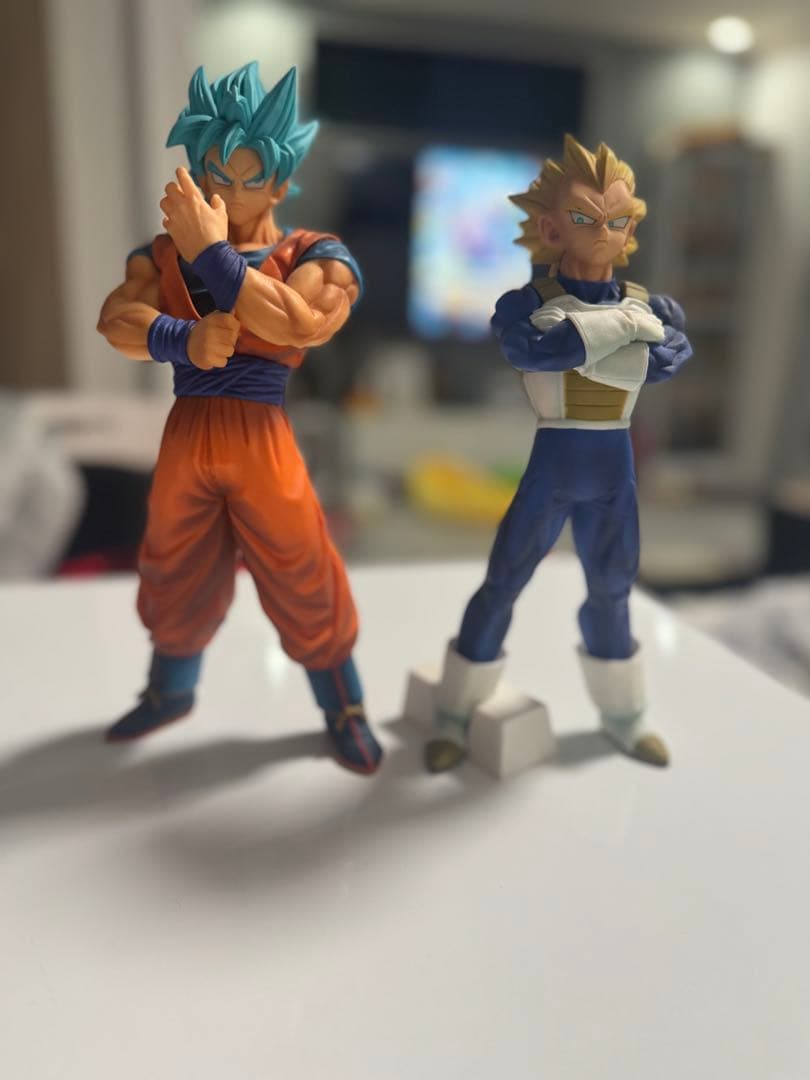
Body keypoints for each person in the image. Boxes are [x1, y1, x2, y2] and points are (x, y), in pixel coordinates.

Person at [97, 62, 382, 775]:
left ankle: (344, 707)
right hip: (188, 431)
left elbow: (299, 322)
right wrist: (181, 338)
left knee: (302, 567)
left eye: (244, 179)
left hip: (262, 435)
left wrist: (213, 256)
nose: (222, 192)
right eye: (211, 173)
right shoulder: (161, 254)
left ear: (279, 185)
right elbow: (117, 321)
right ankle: (169, 691)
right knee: (172, 566)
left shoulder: (314, 254)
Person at [426, 134, 693, 773]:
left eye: (617, 219)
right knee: (503, 583)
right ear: (550, 227)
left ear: (631, 228)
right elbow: (533, 351)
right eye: (584, 218)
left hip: (613, 467)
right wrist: (622, 333)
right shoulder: (528, 304)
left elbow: (668, 358)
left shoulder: (650, 304)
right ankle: (455, 714)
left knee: (614, 590)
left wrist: (595, 336)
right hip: (555, 460)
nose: (603, 232)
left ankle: (624, 715)